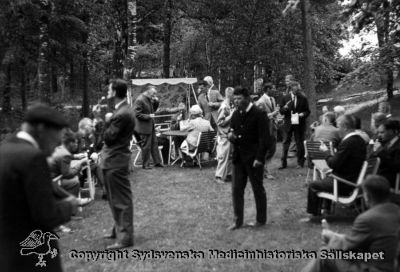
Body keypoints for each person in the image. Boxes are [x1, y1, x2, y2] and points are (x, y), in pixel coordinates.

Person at [0, 103, 79, 272]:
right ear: (42, 129)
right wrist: (70, 205)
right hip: (32, 259)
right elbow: (46, 215)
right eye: (55, 141)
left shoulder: (6, 149)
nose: (53, 150)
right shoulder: (33, 158)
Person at [302, 175, 400, 272]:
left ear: (367, 196)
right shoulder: (396, 212)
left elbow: (347, 248)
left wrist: (331, 236)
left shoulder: (368, 219)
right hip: (391, 265)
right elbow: (361, 242)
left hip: (375, 268)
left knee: (325, 254)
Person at [305, 114, 367, 217]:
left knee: (313, 185)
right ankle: (326, 209)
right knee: (325, 178)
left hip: (344, 183)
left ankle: (314, 215)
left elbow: (333, 164)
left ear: (345, 127)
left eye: (338, 126)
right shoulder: (360, 140)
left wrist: (326, 152)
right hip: (353, 179)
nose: (337, 129)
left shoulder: (348, 142)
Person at [227, 86, 270, 230]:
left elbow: (265, 139)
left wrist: (260, 158)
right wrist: (230, 136)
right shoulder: (235, 114)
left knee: (258, 189)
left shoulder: (259, 113)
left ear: (247, 98)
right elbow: (231, 131)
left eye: (239, 99)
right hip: (238, 159)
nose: (237, 101)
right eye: (235, 99)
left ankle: (261, 220)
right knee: (237, 190)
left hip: (254, 159)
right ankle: (237, 221)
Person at [101, 79, 135, 250]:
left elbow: (108, 138)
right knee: (115, 199)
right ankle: (118, 230)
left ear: (114, 92)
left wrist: (105, 121)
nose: (107, 91)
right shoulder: (122, 110)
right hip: (113, 160)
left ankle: (125, 237)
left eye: (109, 89)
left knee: (121, 200)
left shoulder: (121, 113)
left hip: (115, 160)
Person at [279, 81, 310, 169]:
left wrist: (302, 114)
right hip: (288, 123)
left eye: (298, 90)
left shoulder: (303, 98)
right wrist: (284, 108)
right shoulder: (285, 98)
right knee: (285, 142)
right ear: (291, 89)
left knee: (299, 142)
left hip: (299, 123)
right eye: (295, 90)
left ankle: (300, 163)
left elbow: (307, 111)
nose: (297, 91)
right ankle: (283, 163)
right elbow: (281, 111)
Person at [48, 129, 87, 197]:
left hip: (49, 178)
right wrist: (80, 164)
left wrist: (74, 157)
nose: (77, 145)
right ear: (71, 143)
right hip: (52, 182)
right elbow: (68, 174)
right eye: (76, 143)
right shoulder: (65, 154)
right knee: (75, 181)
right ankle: (71, 202)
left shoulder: (59, 148)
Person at [133, 85, 163, 169]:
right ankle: (145, 165)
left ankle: (157, 162)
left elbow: (154, 110)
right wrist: (148, 116)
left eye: (155, 94)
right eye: (153, 93)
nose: (154, 95)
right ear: (147, 91)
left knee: (154, 144)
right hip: (144, 127)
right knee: (146, 146)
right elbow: (136, 114)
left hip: (150, 125)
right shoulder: (140, 100)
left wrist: (156, 102)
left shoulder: (149, 98)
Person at [255, 82, 279, 179]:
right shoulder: (261, 101)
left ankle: (263, 168)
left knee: (273, 149)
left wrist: (277, 120)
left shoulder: (272, 99)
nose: (274, 90)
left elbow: (273, 114)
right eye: (273, 88)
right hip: (265, 129)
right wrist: (273, 114)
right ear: (268, 89)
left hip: (273, 128)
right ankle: (264, 171)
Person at [370, 119, 400, 188]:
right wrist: (374, 151)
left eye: (382, 132)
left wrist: (380, 151)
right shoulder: (384, 142)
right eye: (378, 133)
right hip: (379, 174)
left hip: (390, 179)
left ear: (392, 131)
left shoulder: (398, 145)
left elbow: (396, 166)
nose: (379, 135)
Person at [215, 87, 235, 184]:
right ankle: (219, 176)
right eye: (234, 94)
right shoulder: (224, 106)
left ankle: (228, 175)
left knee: (230, 155)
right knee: (223, 156)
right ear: (230, 94)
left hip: (229, 135)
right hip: (224, 135)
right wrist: (231, 116)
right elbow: (219, 122)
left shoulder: (229, 105)